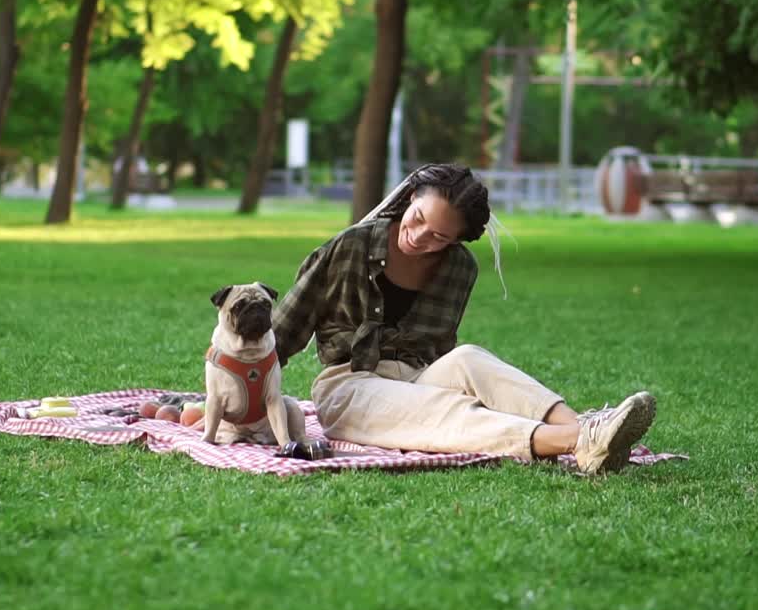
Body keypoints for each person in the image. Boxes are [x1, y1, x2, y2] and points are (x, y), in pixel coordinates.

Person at [271, 163, 657, 475]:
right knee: (446, 412)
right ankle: (575, 442)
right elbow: (282, 332)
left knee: (470, 358)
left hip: (416, 375)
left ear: (455, 241)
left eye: (438, 235)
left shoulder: (458, 269)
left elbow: (442, 352)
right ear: (409, 198)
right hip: (350, 386)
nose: (419, 236)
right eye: (418, 217)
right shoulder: (349, 246)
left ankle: (589, 429)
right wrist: (241, 391)